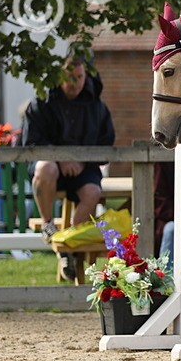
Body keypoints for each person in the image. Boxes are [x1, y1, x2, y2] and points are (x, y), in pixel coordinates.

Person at [22, 56, 116, 251]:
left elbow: (106, 145)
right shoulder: (41, 102)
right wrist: (60, 159)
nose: (75, 83)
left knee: (93, 193)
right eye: (69, 77)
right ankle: (48, 225)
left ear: (85, 76)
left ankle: (70, 243)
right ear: (59, 77)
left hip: (84, 167)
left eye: (79, 77)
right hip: (49, 166)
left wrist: (81, 162)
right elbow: (30, 142)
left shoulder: (97, 107)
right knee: (46, 167)